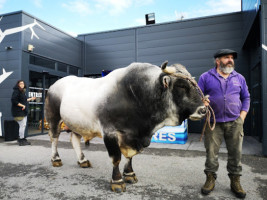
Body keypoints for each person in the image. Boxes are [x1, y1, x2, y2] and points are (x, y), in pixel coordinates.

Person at [198, 49, 250, 199]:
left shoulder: (239, 78)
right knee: (211, 154)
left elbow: (246, 97)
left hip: (235, 123)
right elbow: (197, 96)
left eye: (232, 58)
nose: (230, 60)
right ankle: (210, 179)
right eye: (226, 58)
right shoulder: (205, 77)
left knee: (236, 154)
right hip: (213, 123)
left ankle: (235, 182)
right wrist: (202, 102)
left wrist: (242, 117)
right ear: (217, 61)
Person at [11, 80, 36, 146]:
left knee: (23, 125)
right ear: (18, 84)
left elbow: (24, 100)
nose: (22, 84)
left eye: (23, 83)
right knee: (22, 125)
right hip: (18, 111)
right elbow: (14, 100)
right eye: (21, 83)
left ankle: (21, 138)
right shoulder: (16, 91)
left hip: (23, 111)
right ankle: (21, 140)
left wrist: (31, 99)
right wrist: (22, 105)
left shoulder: (22, 91)